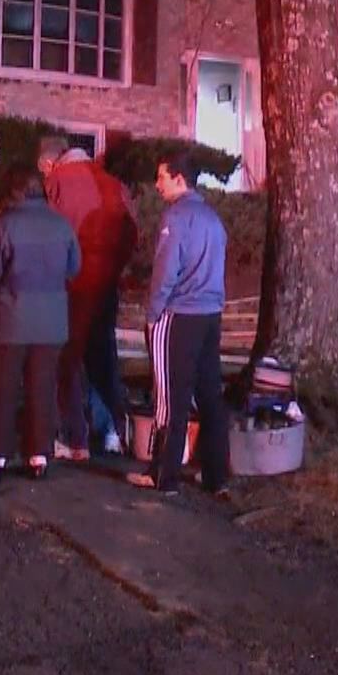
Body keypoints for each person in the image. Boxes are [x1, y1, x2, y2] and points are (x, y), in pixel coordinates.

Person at [128, 151, 229, 495]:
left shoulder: (177, 217)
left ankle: (163, 475)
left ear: (179, 179)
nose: (156, 185)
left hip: (179, 316)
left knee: (171, 396)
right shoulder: (213, 220)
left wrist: (154, 312)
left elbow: (166, 269)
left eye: (161, 177)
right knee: (210, 395)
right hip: (209, 316)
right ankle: (216, 475)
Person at [0, 164, 80, 480]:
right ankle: (38, 456)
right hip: (51, 324)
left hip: (10, 321)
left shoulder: (4, 225)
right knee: (42, 389)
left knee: (3, 389)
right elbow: (74, 267)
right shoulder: (62, 226)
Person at [38, 136, 139, 458]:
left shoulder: (57, 182)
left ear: (49, 164)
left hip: (72, 285)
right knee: (103, 358)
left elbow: (48, 233)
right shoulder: (112, 184)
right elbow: (132, 231)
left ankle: (72, 435)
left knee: (65, 362)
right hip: (107, 284)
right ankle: (113, 429)